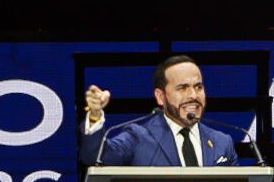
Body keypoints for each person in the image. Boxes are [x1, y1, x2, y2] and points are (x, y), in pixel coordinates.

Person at [80, 55, 242, 167]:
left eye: (198, 87)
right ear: (160, 96)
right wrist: (95, 115)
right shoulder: (139, 137)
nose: (193, 95)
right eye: (183, 88)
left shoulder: (222, 142)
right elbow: (95, 157)